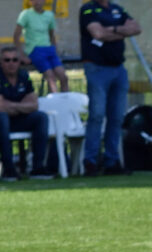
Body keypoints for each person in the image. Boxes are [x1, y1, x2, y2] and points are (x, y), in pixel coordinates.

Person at [78, 0, 142, 176]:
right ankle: (90, 162)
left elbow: (136, 28)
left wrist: (110, 31)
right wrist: (120, 30)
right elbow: (97, 33)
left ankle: (112, 161)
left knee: (116, 117)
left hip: (118, 69)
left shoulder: (117, 9)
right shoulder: (88, 9)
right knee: (97, 115)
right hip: (97, 68)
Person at [0, 45, 54, 181]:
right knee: (2, 118)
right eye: (7, 60)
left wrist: (11, 106)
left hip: (19, 119)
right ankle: (9, 170)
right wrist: (21, 105)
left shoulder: (24, 76)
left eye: (14, 60)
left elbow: (34, 104)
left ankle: (37, 168)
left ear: (19, 62)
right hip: (3, 122)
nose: (11, 63)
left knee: (41, 117)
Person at [13, 0, 69, 94]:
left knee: (63, 77)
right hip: (35, 50)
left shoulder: (49, 15)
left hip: (49, 50)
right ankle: (53, 104)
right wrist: (22, 55)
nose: (37, 2)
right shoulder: (26, 14)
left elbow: (51, 35)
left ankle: (66, 102)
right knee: (51, 78)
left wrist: (55, 50)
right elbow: (16, 36)